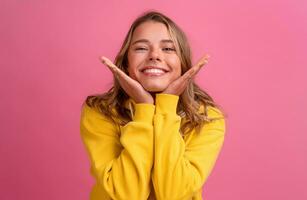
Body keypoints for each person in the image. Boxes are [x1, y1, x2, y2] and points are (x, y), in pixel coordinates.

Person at [80, 10, 226, 200]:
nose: (154, 56)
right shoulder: (99, 112)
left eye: (168, 49)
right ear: (125, 62)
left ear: (183, 63)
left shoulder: (207, 119)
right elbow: (125, 195)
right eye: (141, 48)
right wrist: (144, 109)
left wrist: (166, 106)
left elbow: (173, 195)